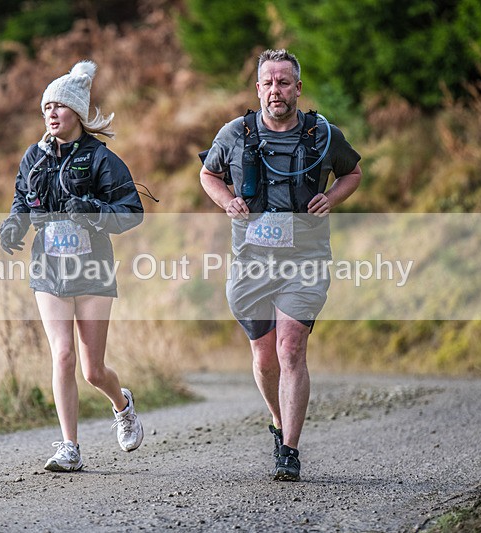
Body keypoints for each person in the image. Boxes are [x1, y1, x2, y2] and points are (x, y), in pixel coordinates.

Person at [199, 49, 362, 481]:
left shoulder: (323, 134)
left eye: (284, 82)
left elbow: (353, 172)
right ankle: (277, 418)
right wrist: (227, 201)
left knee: (290, 348)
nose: (276, 90)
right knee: (265, 356)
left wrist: (331, 198)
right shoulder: (234, 134)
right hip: (251, 262)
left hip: (305, 260)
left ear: (298, 88)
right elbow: (208, 175)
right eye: (269, 83)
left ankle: (289, 450)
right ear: (258, 89)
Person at [0, 60, 145, 472]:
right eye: (47, 106)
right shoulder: (34, 157)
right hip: (48, 269)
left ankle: (122, 405)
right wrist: (13, 225)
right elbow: (21, 201)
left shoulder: (101, 159)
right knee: (62, 355)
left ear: (77, 112)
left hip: (93, 270)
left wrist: (93, 210)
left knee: (93, 370)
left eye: (59, 106)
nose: (51, 113)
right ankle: (70, 447)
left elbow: (132, 212)